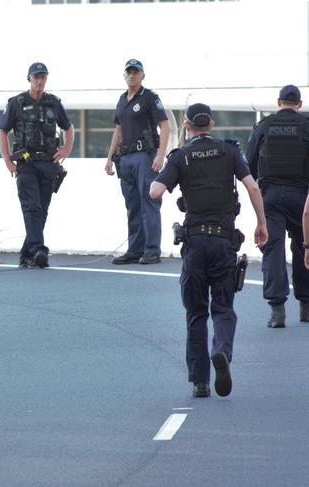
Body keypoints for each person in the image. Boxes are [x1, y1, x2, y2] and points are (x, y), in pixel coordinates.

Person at [149, 103, 268, 398]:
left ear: (187, 126)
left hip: (195, 243)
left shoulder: (182, 156)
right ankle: (222, 351)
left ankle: (200, 382)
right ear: (212, 125)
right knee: (224, 308)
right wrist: (261, 224)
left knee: (196, 313)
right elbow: (253, 188)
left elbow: (155, 191)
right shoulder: (229, 151)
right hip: (224, 242)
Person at [0, 62, 74, 269]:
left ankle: (26, 254)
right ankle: (39, 250)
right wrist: (7, 161)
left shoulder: (54, 103)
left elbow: (68, 127)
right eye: (36, 77)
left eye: (43, 77)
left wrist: (66, 149)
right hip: (26, 163)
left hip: (49, 163)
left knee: (42, 210)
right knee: (32, 207)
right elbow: (2, 131)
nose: (39, 81)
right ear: (29, 78)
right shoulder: (17, 102)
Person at [246, 85, 309, 328]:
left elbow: (249, 163)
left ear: (278, 101)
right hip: (301, 196)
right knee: (304, 246)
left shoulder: (264, 126)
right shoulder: (306, 127)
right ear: (299, 104)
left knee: (273, 248)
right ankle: (306, 307)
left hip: (270, 196)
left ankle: (277, 311)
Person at [105, 59, 171, 265]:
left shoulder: (150, 97)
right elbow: (118, 129)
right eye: (129, 72)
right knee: (132, 204)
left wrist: (161, 155)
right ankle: (135, 249)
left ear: (142, 75)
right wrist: (109, 157)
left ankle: (152, 249)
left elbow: (165, 126)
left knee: (149, 202)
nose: (132, 75)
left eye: (136, 72)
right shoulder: (122, 100)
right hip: (125, 158)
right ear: (124, 76)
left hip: (145, 156)